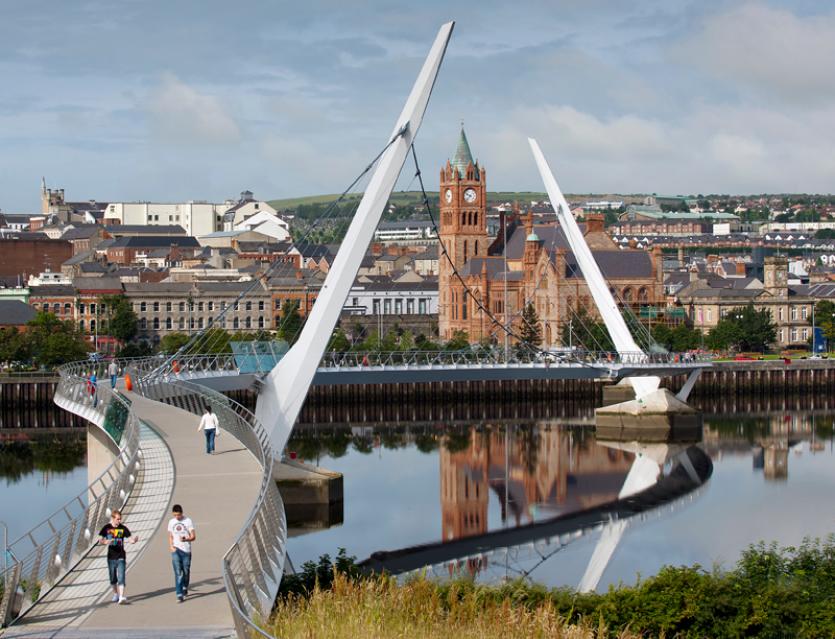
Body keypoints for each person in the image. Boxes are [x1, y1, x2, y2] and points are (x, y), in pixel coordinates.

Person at [98, 509, 138, 604]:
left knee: (121, 577)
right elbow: (100, 539)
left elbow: (130, 539)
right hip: (111, 557)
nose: (119, 521)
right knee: (113, 578)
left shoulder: (123, 528)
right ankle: (116, 594)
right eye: (118, 519)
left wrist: (134, 540)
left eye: (120, 519)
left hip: (121, 556)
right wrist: (105, 542)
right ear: (113, 518)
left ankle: (121, 597)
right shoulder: (106, 528)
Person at [167, 504, 196, 602]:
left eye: (178, 515)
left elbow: (193, 536)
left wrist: (186, 539)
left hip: (186, 550)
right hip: (176, 550)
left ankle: (185, 586)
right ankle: (179, 594)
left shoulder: (188, 521)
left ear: (182, 513)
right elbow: (170, 535)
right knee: (178, 573)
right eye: (175, 515)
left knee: (186, 571)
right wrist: (171, 547)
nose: (177, 517)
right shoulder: (171, 522)